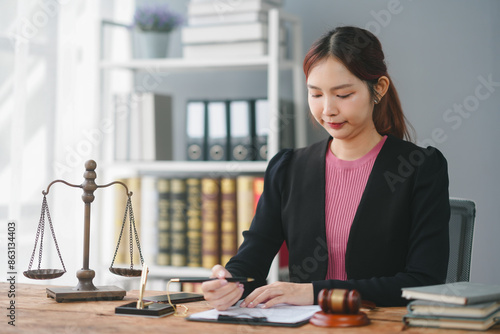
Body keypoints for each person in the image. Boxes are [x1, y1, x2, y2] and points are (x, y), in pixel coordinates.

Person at [201, 26, 450, 311]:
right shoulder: (288, 168)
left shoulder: (420, 167)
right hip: (305, 326)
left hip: (381, 325)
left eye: (343, 95)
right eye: (316, 94)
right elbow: (253, 258)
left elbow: (424, 282)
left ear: (378, 89)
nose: (328, 110)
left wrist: (313, 292)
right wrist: (229, 282)